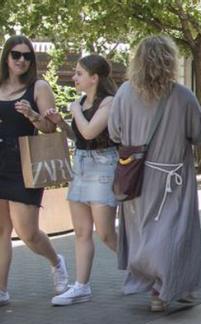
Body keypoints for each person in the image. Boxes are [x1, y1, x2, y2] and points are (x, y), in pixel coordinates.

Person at [108, 35, 201, 312]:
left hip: (136, 174)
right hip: (173, 177)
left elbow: (115, 132)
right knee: (173, 232)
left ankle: (170, 284)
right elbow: (198, 136)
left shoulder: (124, 93)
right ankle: (162, 288)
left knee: (144, 232)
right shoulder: (183, 96)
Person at [43, 54, 118, 306]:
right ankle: (81, 286)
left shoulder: (108, 102)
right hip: (82, 164)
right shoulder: (81, 102)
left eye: (79, 73)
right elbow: (79, 137)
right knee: (81, 231)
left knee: (106, 233)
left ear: (94, 78)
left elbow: (89, 131)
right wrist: (60, 123)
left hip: (103, 165)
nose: (74, 77)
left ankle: (145, 270)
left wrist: (74, 111)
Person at [0, 35, 68, 306]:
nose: (21, 60)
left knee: (27, 232)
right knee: (1, 231)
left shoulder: (38, 87)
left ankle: (56, 261)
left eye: (27, 56)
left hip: (23, 164)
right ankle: (2, 289)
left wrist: (31, 114)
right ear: (6, 56)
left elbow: (50, 128)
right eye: (16, 55)